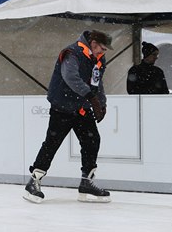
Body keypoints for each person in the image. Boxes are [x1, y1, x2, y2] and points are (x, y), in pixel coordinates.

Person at [24, 30, 113, 204]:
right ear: (93, 43)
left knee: (92, 140)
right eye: (101, 48)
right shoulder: (72, 53)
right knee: (52, 143)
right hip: (62, 107)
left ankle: (86, 183)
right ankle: (33, 182)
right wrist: (91, 97)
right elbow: (71, 77)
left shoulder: (99, 59)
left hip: (81, 108)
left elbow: (97, 81)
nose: (102, 53)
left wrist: (101, 102)